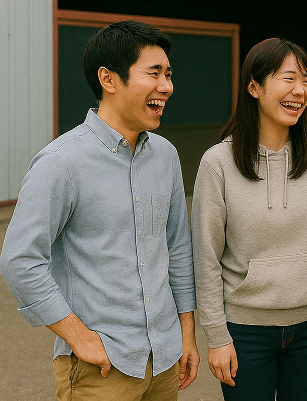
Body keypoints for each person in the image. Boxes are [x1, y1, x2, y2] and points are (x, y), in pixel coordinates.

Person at [0, 20, 199, 400]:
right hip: (100, 368)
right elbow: (20, 259)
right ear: (108, 79)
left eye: (169, 75)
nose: (167, 86)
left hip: (165, 359)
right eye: (153, 74)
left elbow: (177, 250)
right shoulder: (61, 162)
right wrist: (79, 337)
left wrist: (186, 334)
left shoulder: (166, 156)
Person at [191, 38, 307, 400]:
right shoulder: (217, 163)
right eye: (288, 78)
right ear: (254, 86)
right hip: (245, 330)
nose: (300, 90)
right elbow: (206, 258)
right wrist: (216, 335)